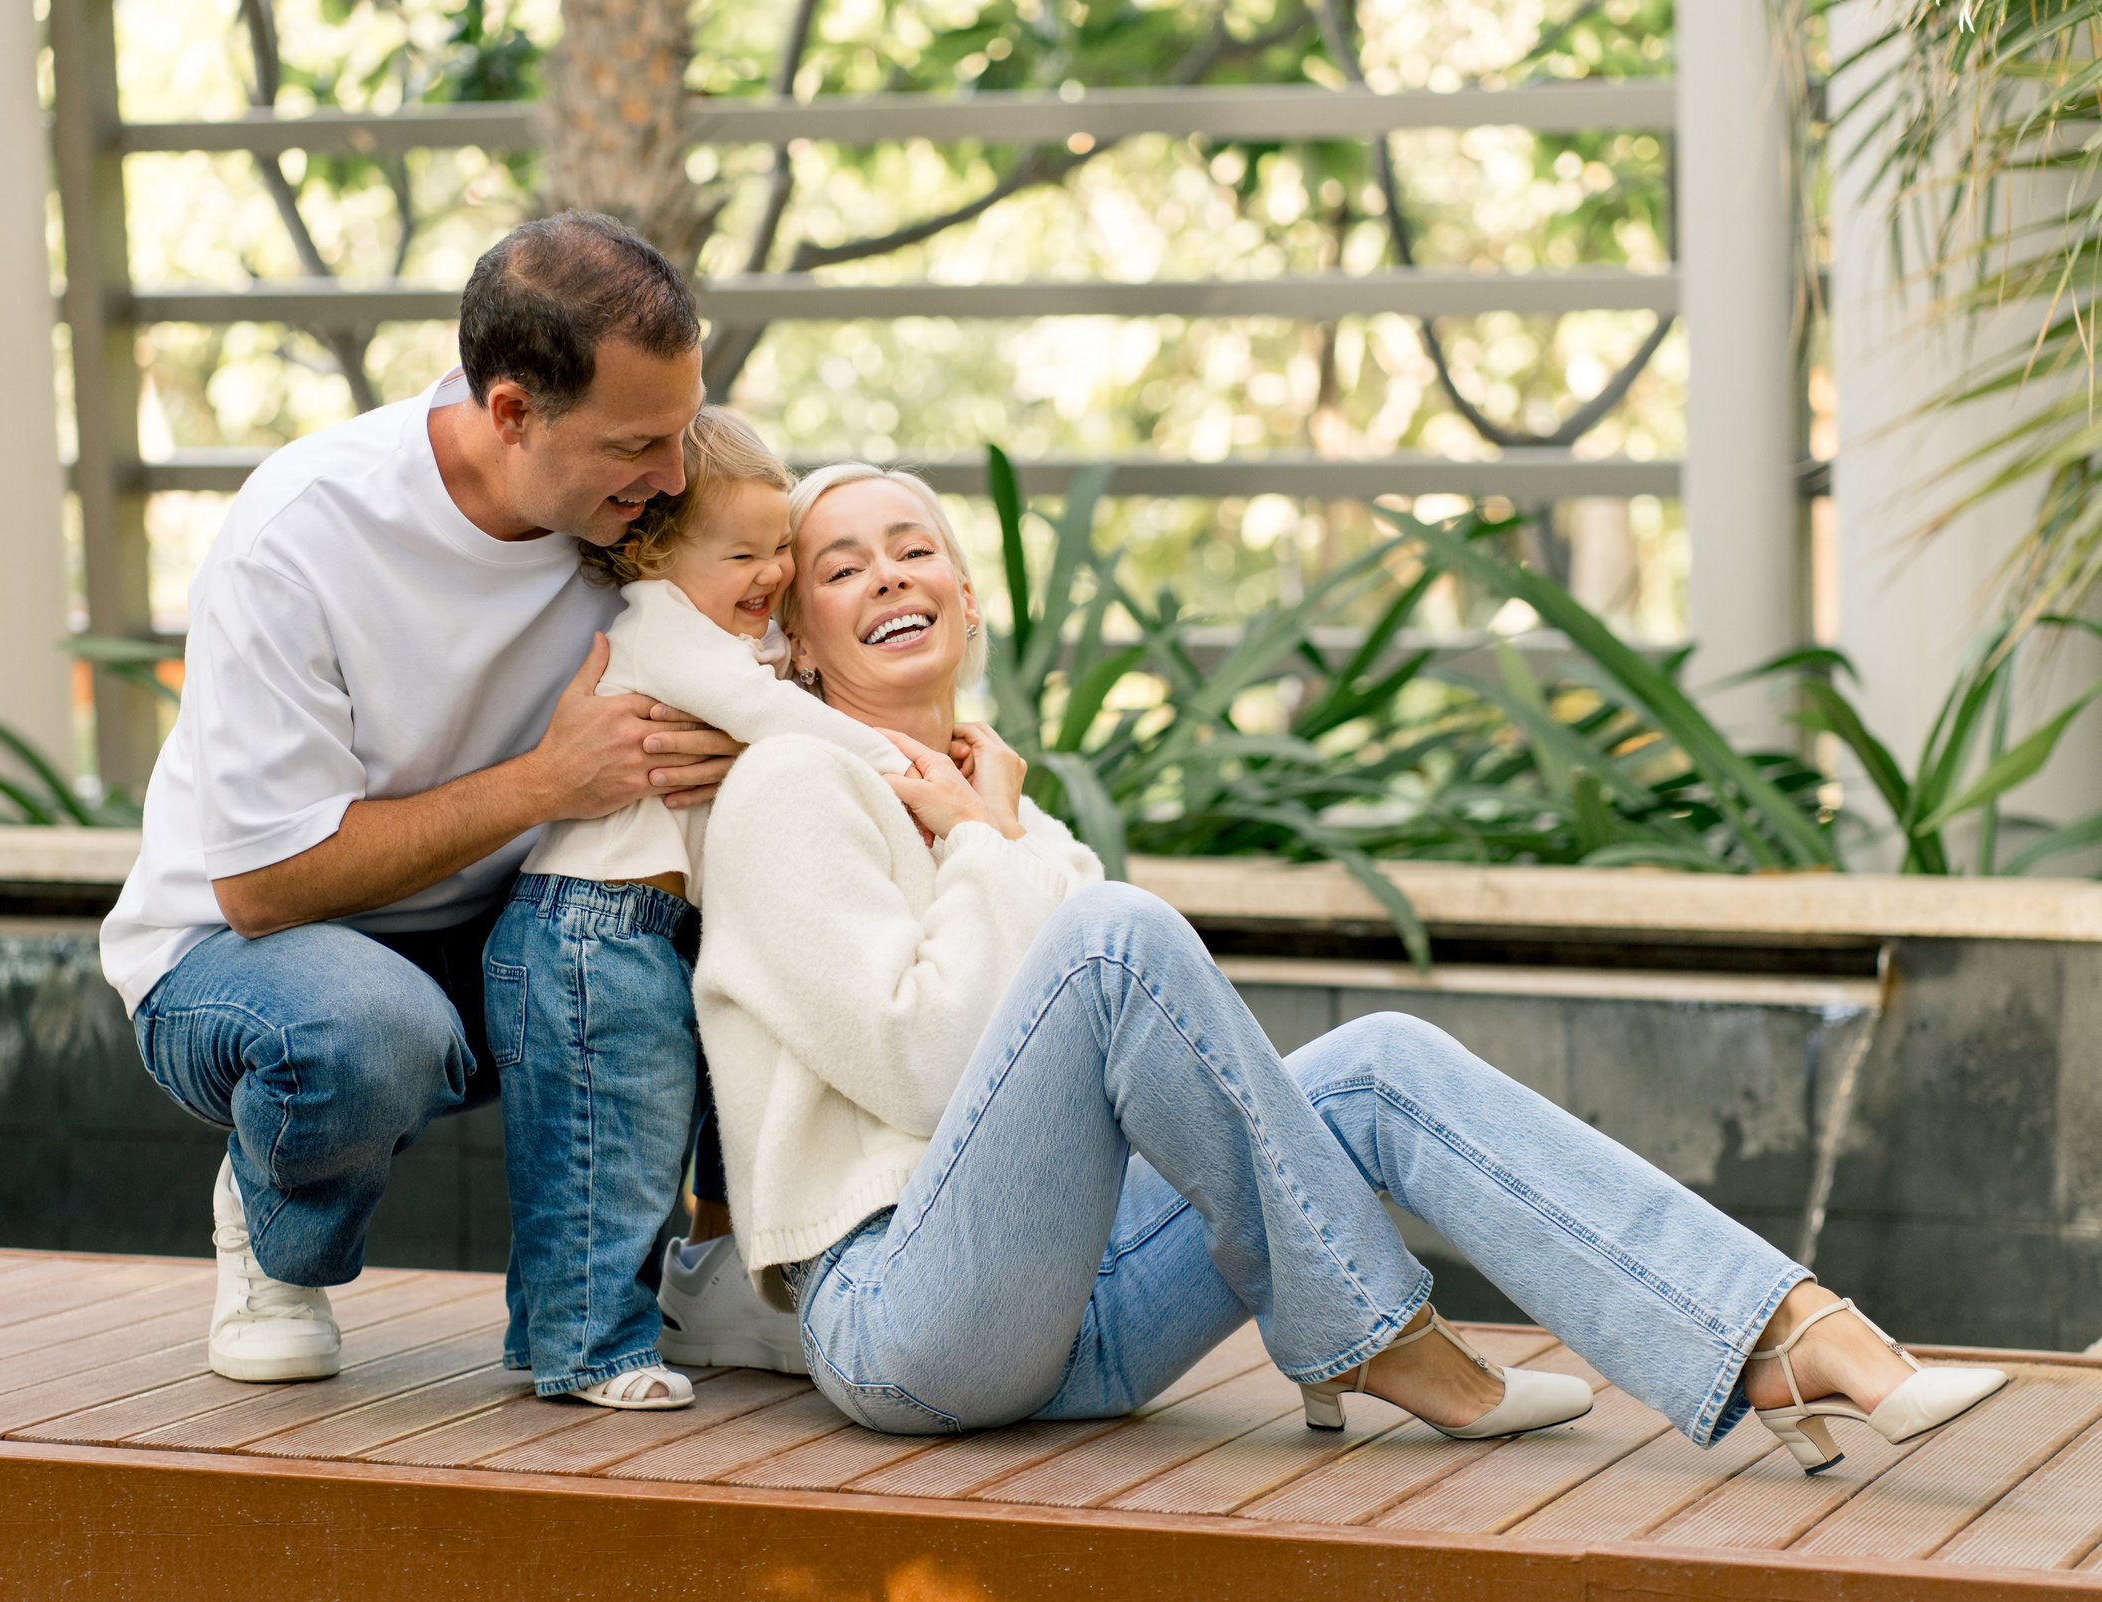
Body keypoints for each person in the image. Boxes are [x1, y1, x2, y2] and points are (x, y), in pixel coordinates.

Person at [686, 460, 2007, 1468]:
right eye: (843, 568)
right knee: (1118, 933)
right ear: (797, 636)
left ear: (968, 604)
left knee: (1377, 1064)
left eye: (915, 550)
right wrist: (990, 847)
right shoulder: (790, 787)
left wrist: (998, 831)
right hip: (902, 1320)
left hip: (1078, 1314)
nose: (888, 578)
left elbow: (1118, 1070)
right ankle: (1382, 1340)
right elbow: (925, 1069)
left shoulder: (1011, 813)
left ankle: (1775, 1330)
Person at [100, 213, 747, 1384]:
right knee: (364, 1027)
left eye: (684, 429)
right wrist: (552, 780)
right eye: (637, 445)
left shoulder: (640, 505)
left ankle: (727, 1273)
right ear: (510, 413)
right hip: (257, 961)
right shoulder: (300, 535)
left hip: (509, 936)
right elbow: (261, 887)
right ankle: (275, 1225)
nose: (674, 476)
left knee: (768, 900)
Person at [486, 408, 904, 1410]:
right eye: (742, 553)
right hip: (595, 926)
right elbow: (772, 716)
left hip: (628, 933)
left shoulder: (713, 640)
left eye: (780, 552)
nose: (768, 575)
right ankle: (594, 1350)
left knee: (589, 1141)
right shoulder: (665, 628)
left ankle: (543, 1331)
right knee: (613, 1151)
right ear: (655, 554)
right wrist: (906, 767)